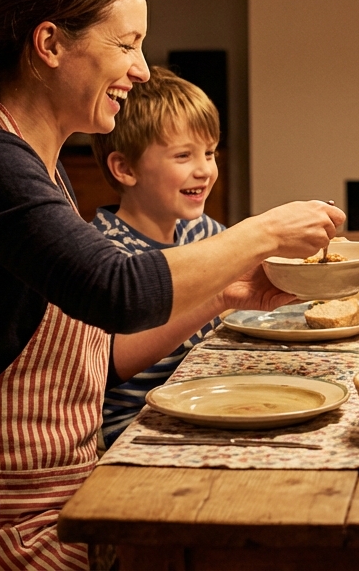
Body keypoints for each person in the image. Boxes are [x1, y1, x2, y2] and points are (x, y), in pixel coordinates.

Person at [0, 0, 345, 571]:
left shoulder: (36, 161)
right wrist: (262, 233)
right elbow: (117, 290)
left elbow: (95, 360)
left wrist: (227, 293)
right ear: (49, 45)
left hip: (62, 489)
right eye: (126, 44)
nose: (143, 69)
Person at [88, 66, 232, 447]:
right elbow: (106, 361)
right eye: (183, 156)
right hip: (133, 429)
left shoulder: (202, 233)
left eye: (210, 153)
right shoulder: (105, 253)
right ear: (125, 168)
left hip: (202, 405)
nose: (204, 170)